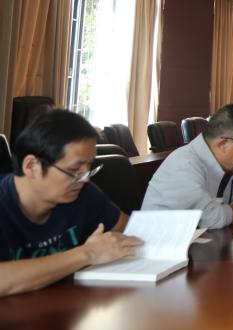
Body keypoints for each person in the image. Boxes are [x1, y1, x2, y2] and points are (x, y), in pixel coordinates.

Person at [0, 110, 142, 296]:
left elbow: (132, 231)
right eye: (74, 170)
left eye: (89, 168)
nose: (84, 179)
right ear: (31, 166)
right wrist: (87, 254)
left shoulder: (82, 193)